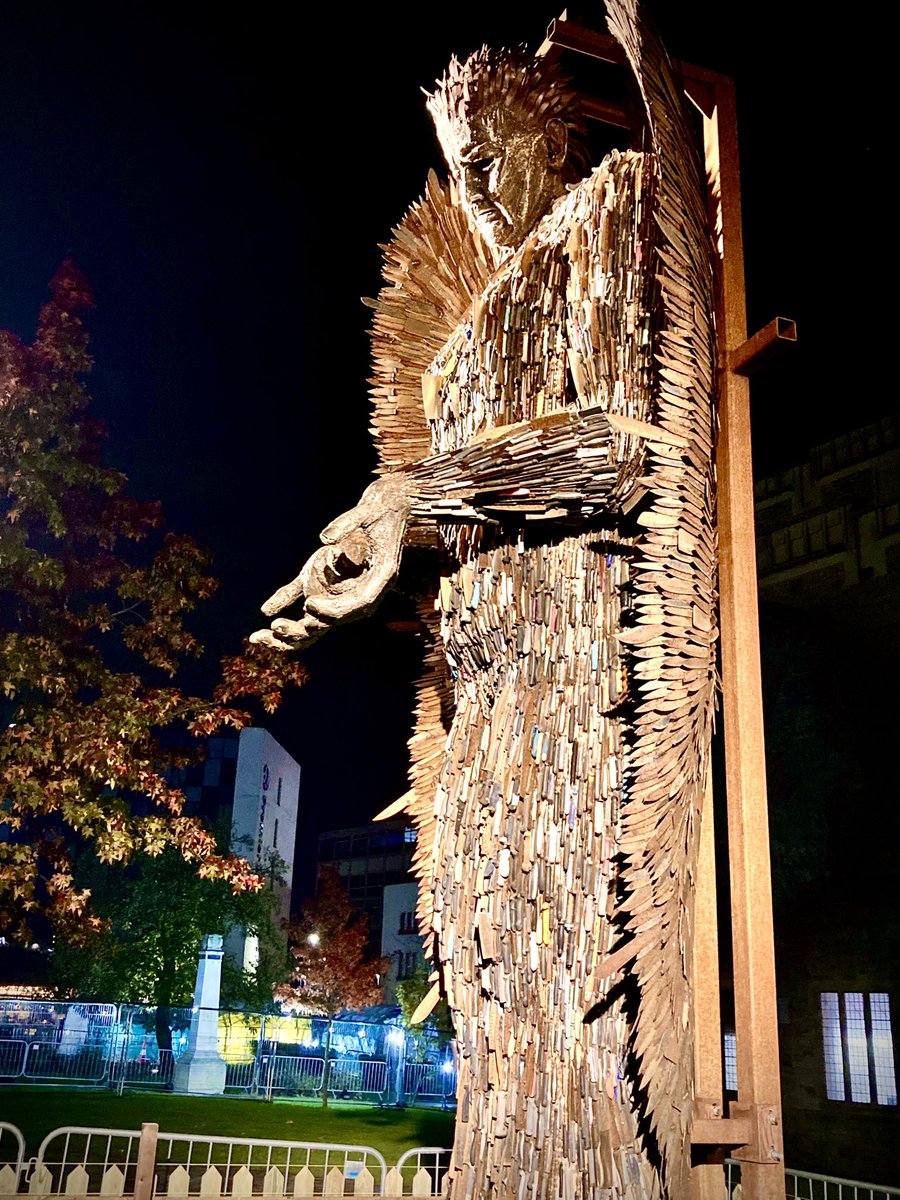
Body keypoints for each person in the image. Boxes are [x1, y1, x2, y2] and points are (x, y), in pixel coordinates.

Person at [253, 1, 717, 1194]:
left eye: (495, 152)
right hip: (482, 714)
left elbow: (624, 451)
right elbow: (437, 499)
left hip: (571, 680)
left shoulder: (605, 216)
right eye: (462, 171)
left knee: (568, 1001)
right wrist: (377, 529)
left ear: (545, 128)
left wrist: (422, 495)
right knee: (497, 996)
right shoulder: (465, 339)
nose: (483, 188)